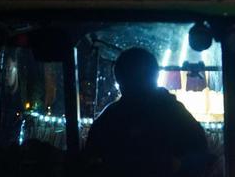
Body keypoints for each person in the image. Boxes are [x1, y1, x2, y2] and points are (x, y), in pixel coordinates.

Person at [85, 48, 210, 177]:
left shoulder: (109, 118)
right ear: (155, 76)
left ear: (119, 80)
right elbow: (201, 154)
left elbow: (91, 162)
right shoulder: (174, 112)